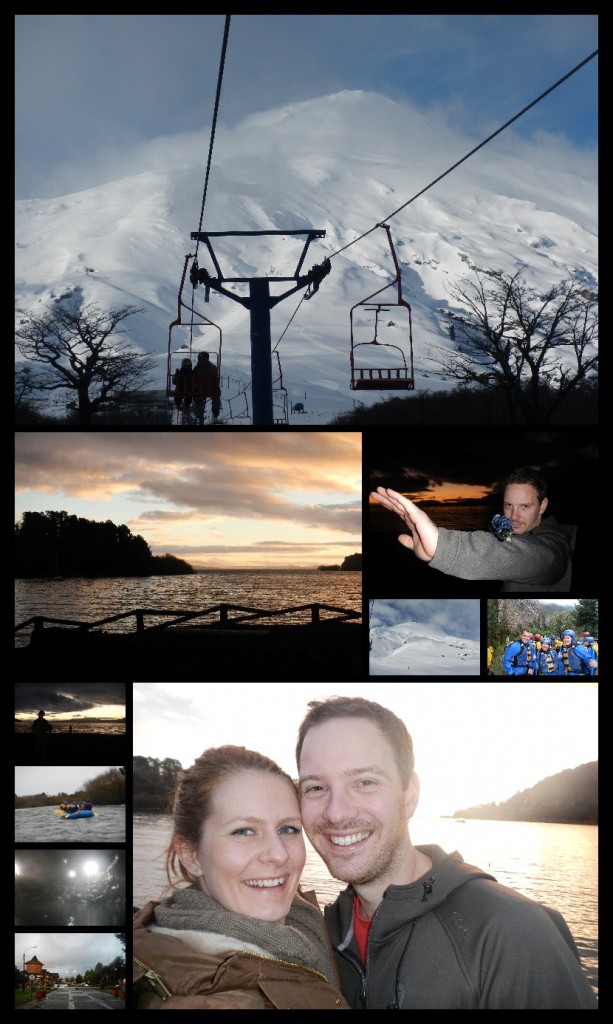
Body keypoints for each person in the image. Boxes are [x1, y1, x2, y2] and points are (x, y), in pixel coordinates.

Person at [295, 695, 597, 1009]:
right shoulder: (320, 935)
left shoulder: (510, 932)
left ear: (410, 795)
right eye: (316, 787)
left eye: (365, 782)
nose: (337, 813)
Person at [133, 745, 349, 1009]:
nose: (278, 854)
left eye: (288, 828)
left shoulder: (305, 923)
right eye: (244, 831)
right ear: (191, 855)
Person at [371, 466, 575, 592]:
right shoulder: (510, 532)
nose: (513, 516)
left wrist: (444, 547)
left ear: (543, 506)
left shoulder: (555, 542)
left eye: (525, 506)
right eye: (508, 505)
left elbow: (537, 559)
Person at [192, 351, 221, 424]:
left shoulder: (197, 368)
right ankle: (215, 409)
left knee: (198, 399)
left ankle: (198, 413)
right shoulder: (213, 367)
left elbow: (193, 377)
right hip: (211, 389)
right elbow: (216, 377)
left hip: (199, 390)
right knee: (216, 395)